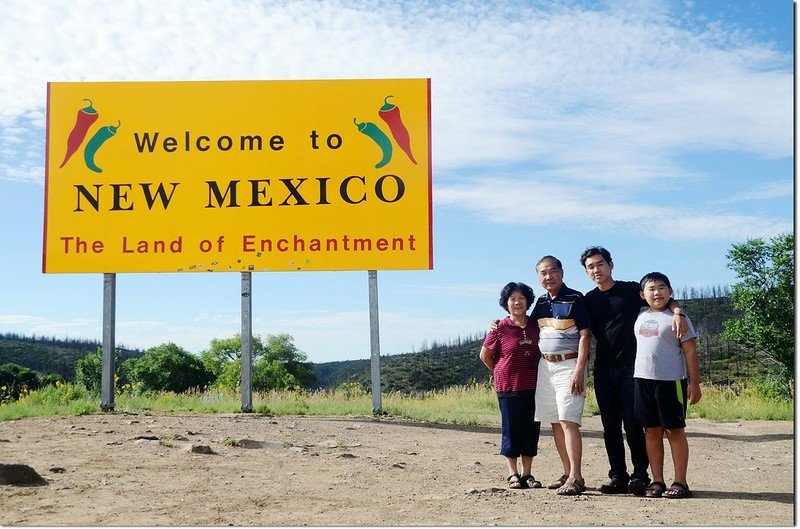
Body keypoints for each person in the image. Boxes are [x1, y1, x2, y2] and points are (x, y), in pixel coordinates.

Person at [580, 246, 687, 496]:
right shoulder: (589, 300)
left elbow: (661, 296)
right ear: (587, 272)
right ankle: (618, 476)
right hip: (603, 369)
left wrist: (678, 311)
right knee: (610, 427)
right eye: (591, 267)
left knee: (634, 424)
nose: (597, 270)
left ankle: (640, 476)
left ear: (610, 265)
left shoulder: (630, 290)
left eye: (600, 264)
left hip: (632, 369)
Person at [634, 272, 701, 499]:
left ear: (670, 292)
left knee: (674, 430)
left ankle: (680, 482)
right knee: (651, 431)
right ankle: (657, 481)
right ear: (643, 295)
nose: (657, 292)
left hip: (671, 382)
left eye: (662, 288)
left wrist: (695, 384)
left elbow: (691, 351)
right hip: (643, 380)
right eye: (651, 289)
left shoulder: (679, 318)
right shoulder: (640, 317)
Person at [530, 255, 592, 496]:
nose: (548, 276)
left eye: (552, 271)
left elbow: (586, 335)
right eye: (543, 273)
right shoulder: (541, 302)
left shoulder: (576, 298)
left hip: (570, 364)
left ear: (561, 272)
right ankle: (567, 473)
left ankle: (576, 478)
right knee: (555, 421)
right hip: (545, 367)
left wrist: (579, 368)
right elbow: (526, 324)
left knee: (568, 421)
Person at [479, 281, 542, 489]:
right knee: (511, 429)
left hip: (533, 386)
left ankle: (527, 474)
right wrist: (498, 371)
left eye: (521, 298)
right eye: (512, 299)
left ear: (528, 301)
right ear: (506, 303)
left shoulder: (536, 325)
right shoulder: (499, 328)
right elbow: (485, 355)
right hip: (508, 387)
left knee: (531, 430)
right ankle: (512, 473)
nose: (517, 302)